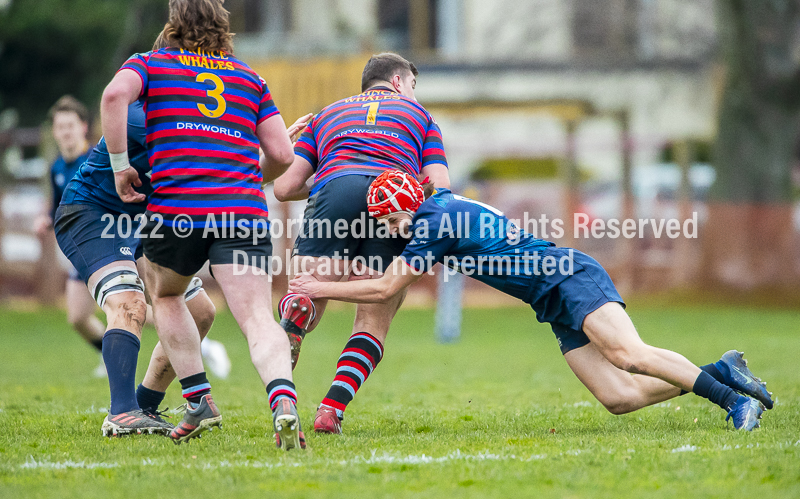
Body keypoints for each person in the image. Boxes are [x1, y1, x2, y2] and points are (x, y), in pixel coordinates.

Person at [290, 171, 774, 431]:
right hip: (551, 298)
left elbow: (384, 288)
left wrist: (317, 287)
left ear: (401, 207)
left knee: (630, 356)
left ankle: (732, 401)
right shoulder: (437, 207)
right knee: (619, 398)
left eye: (388, 222)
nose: (389, 232)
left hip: (567, 276)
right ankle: (721, 372)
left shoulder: (431, 222)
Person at [103, 0, 309, 449]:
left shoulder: (151, 64)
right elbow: (282, 154)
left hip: (179, 209)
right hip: (242, 210)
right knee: (256, 316)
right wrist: (247, 176)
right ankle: (284, 402)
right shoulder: (249, 77)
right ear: (223, 25)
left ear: (174, 21)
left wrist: (121, 167)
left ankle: (198, 399)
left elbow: (114, 96)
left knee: (168, 295)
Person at [273, 52, 450, 434]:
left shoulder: (327, 114)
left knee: (306, 293)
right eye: (414, 87)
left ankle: (298, 315)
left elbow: (284, 188)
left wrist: (329, 186)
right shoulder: (421, 117)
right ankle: (330, 409)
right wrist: (407, 197)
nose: (414, 95)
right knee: (373, 317)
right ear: (400, 82)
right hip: (393, 205)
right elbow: (442, 188)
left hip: (334, 189)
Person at [35, 96, 105, 376]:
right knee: (77, 317)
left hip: (106, 246)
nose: (65, 131)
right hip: (81, 251)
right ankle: (109, 356)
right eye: (60, 126)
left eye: (70, 125)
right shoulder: (56, 168)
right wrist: (46, 219)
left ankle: (198, 339)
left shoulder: (96, 161)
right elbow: (57, 208)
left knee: (124, 311)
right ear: (54, 131)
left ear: (83, 127)